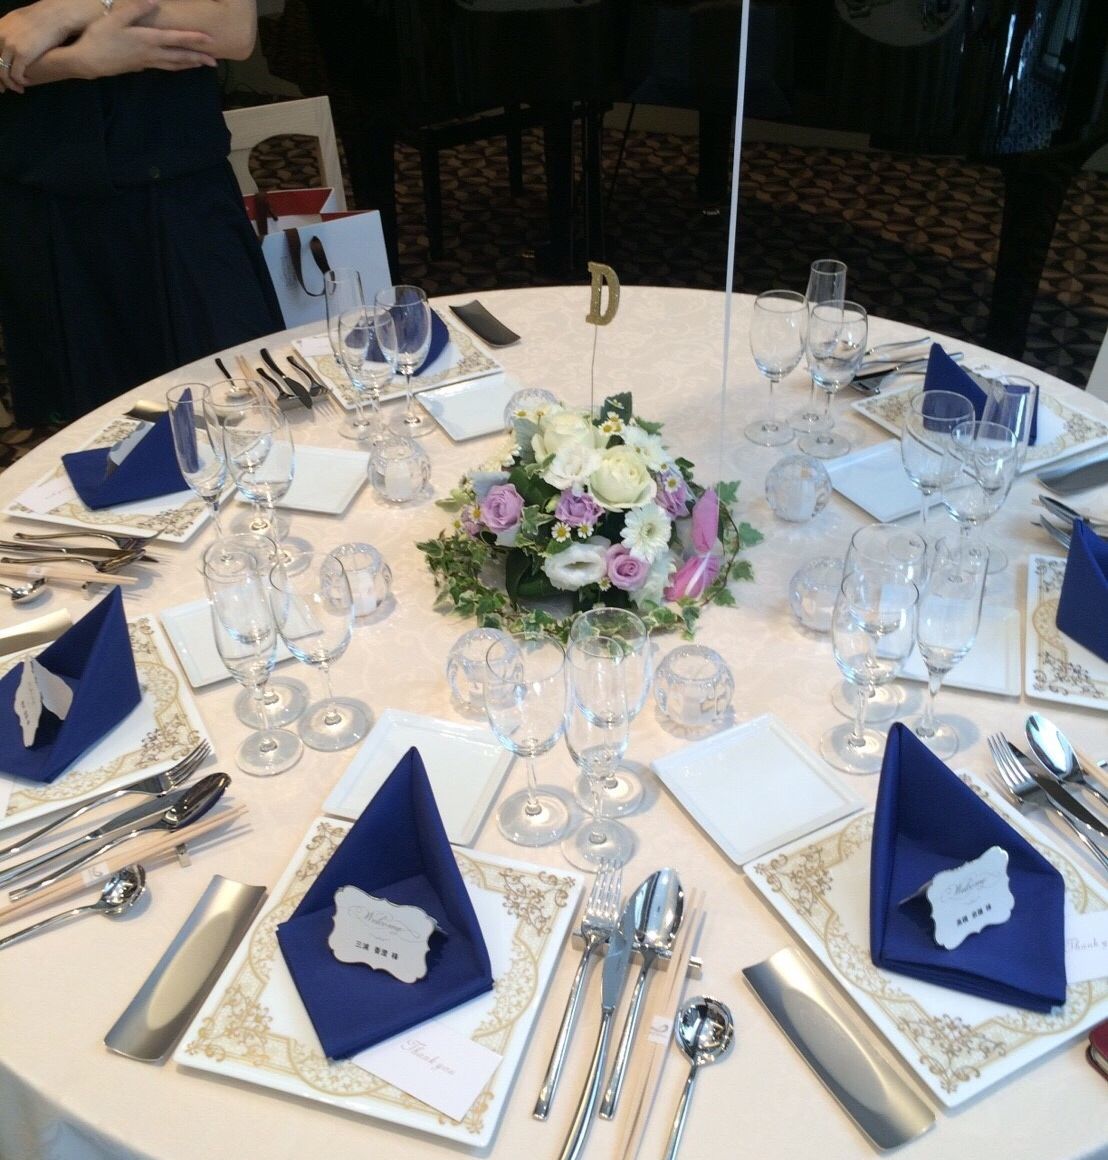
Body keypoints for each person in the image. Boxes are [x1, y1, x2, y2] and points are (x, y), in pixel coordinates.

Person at [0, 0, 284, 427]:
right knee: (100, 439)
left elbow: (232, 28)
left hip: (184, 197)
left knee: (238, 412)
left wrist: (72, 10)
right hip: (46, 204)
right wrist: (77, 62)